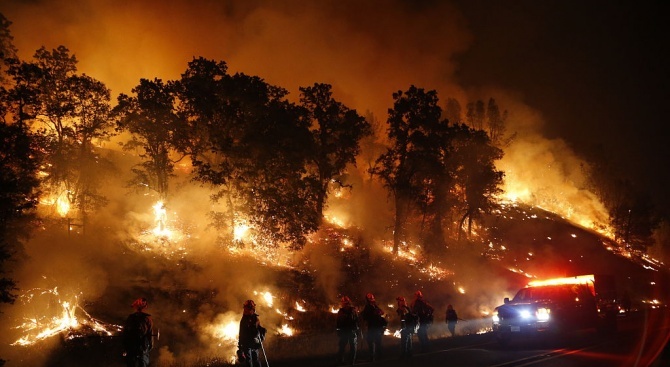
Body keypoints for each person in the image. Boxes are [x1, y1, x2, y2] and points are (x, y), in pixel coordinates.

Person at [122, 297, 154, 367]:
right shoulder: (147, 318)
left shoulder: (131, 317)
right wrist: (150, 344)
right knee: (141, 363)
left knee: (132, 363)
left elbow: (125, 332)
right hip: (140, 345)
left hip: (133, 345)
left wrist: (125, 346)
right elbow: (150, 332)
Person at [237, 300, 267, 367]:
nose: (247, 310)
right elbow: (242, 333)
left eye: (248, 308)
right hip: (251, 343)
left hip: (251, 343)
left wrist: (262, 330)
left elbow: (242, 333)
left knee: (252, 360)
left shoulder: (253, 318)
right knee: (252, 360)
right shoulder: (250, 319)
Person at [361, 292, 386, 362]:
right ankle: (378, 356)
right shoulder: (374, 306)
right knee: (377, 342)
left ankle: (373, 357)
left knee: (371, 342)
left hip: (373, 327)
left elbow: (365, 317)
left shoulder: (371, 306)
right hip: (376, 327)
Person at [336, 296, 359, 365]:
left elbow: (338, 322)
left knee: (342, 346)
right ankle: (352, 361)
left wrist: (338, 330)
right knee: (352, 346)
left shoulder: (341, 311)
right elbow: (357, 320)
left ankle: (341, 361)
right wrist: (357, 329)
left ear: (343, 303)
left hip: (345, 331)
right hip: (351, 331)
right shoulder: (354, 310)